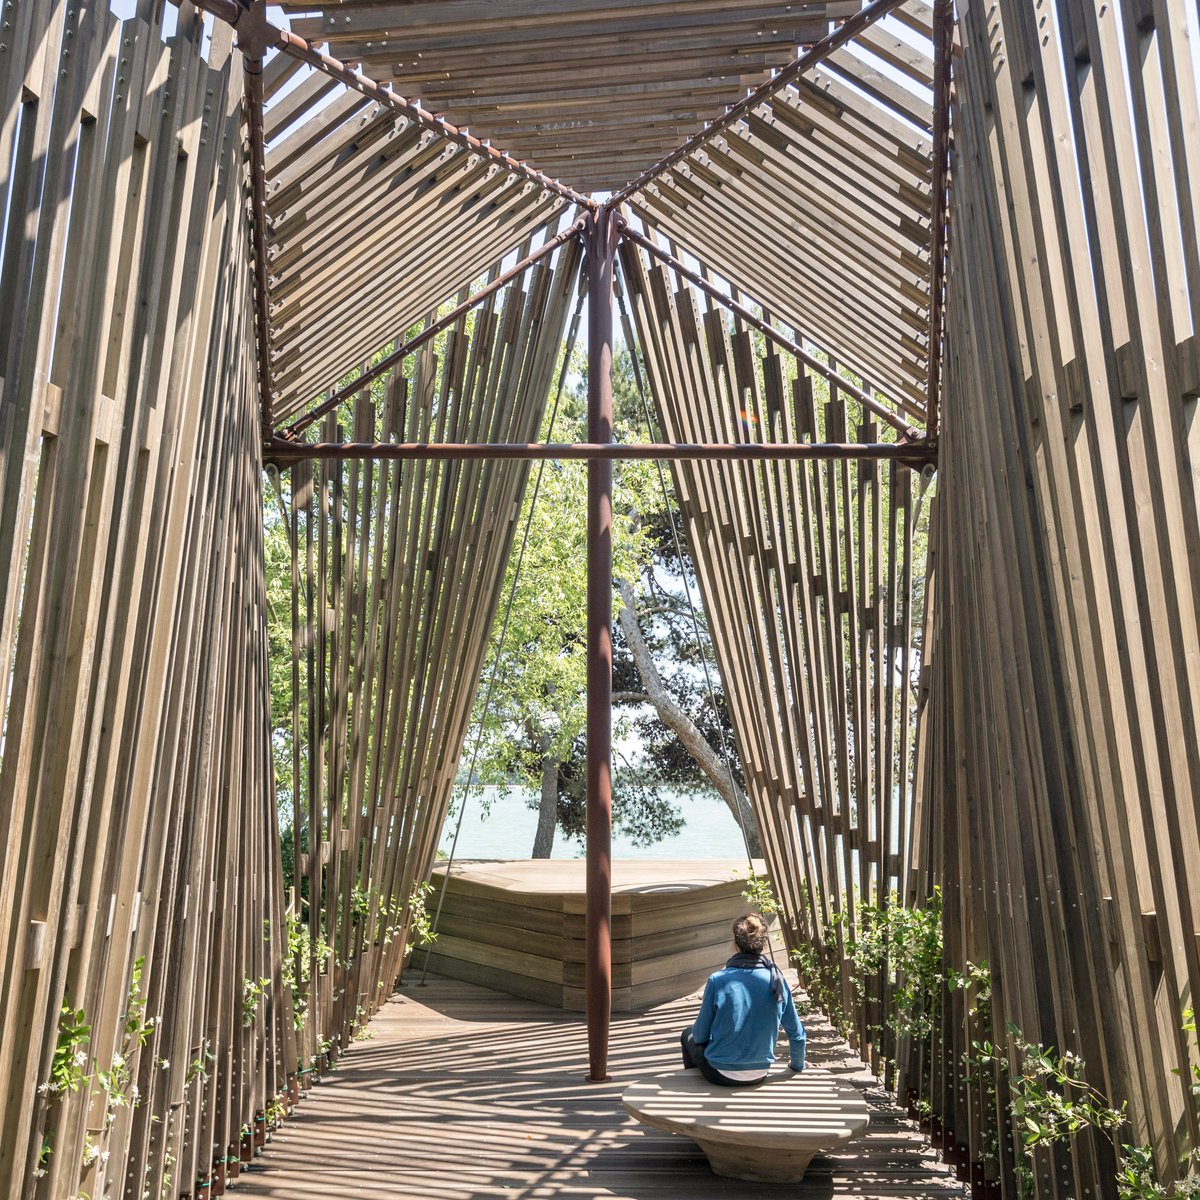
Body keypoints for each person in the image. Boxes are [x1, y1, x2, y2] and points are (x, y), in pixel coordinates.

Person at [680, 913, 806, 1086]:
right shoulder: (777, 980)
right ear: (763, 943)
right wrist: (797, 1066)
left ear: (736, 944)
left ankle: (695, 1090)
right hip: (760, 1073)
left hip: (719, 1073)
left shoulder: (718, 980)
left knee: (687, 1034)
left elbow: (700, 1035)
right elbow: (797, 1035)